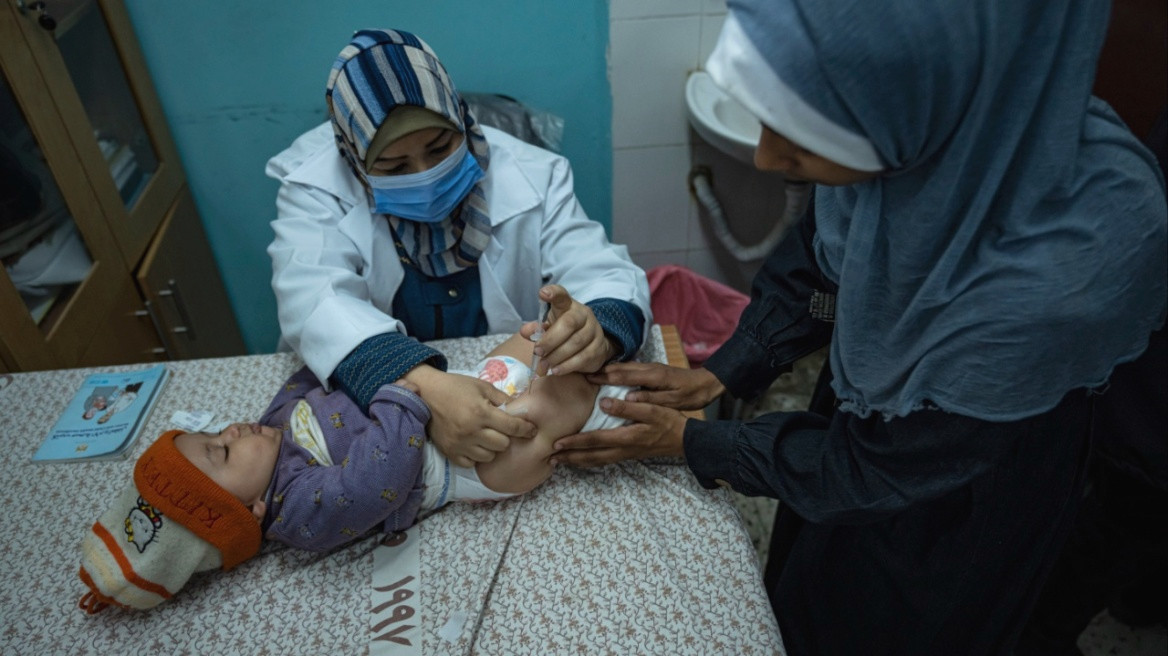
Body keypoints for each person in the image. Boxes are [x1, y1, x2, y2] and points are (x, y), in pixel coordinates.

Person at [552, 1, 1167, 654]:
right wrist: (726, 368)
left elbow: (876, 471)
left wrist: (695, 443)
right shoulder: (918, 138)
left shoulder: (1058, 281)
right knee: (806, 584)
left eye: (802, 136)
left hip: (958, 513)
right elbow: (819, 273)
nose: (766, 157)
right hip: (864, 449)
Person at [266, 28, 651, 471]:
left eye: (440, 148)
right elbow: (315, 301)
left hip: (505, 393)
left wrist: (596, 329)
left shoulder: (535, 175)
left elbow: (601, 271)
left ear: (461, 120)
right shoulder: (315, 189)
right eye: (394, 166)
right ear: (355, 159)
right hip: (382, 405)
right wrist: (425, 390)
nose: (425, 175)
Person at [78, 332, 631, 613]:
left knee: (532, 343)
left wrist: (343, 358)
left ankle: (569, 364)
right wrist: (402, 397)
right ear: (249, 511)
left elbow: (316, 372)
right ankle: (593, 399)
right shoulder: (297, 512)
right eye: (221, 453)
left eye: (215, 434)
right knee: (540, 414)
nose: (231, 432)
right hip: (459, 464)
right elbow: (375, 483)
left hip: (447, 394)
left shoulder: (272, 429)